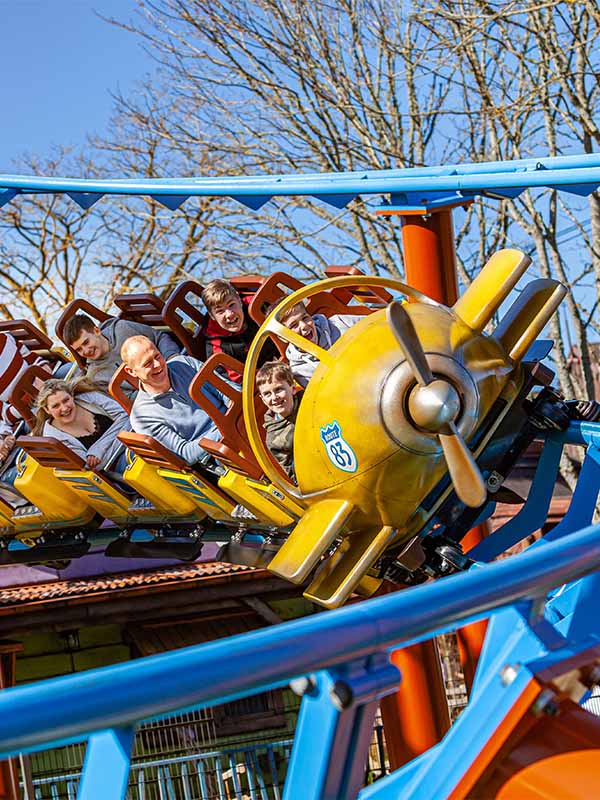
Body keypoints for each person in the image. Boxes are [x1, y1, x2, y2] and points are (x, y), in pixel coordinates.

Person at [121, 335, 228, 468]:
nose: (158, 365)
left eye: (157, 356)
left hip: (237, 421)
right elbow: (185, 454)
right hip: (218, 453)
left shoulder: (184, 363)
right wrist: (227, 428)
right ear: (131, 371)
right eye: (147, 363)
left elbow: (227, 390)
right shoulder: (142, 417)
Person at [62, 313, 181, 391]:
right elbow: (126, 397)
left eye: (86, 342)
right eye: (79, 349)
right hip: (156, 397)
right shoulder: (95, 376)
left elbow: (158, 337)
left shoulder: (122, 329)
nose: (85, 351)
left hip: (171, 370)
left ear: (96, 331)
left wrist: (172, 357)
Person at [32, 377, 130, 471]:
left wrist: (99, 449)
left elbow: (127, 416)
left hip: (133, 441)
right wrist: (122, 434)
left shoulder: (89, 398)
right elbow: (94, 466)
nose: (64, 408)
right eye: (55, 406)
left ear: (72, 396)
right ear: (47, 410)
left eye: (66, 400)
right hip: (117, 466)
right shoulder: (53, 437)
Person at [200, 278, 278, 382]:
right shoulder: (216, 345)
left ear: (239, 300)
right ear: (212, 316)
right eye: (220, 311)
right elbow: (237, 381)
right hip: (263, 381)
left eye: (231, 305)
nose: (229, 314)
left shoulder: (258, 306)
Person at [279, 302, 360, 387]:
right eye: (294, 325)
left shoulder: (340, 322)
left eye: (305, 318)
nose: (304, 325)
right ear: (283, 337)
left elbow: (370, 325)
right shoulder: (299, 370)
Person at [257, 361, 300, 481]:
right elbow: (294, 474)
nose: (274, 397)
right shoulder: (274, 439)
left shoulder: (308, 400)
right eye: (267, 394)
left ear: (293, 388)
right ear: (263, 400)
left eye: (279, 389)